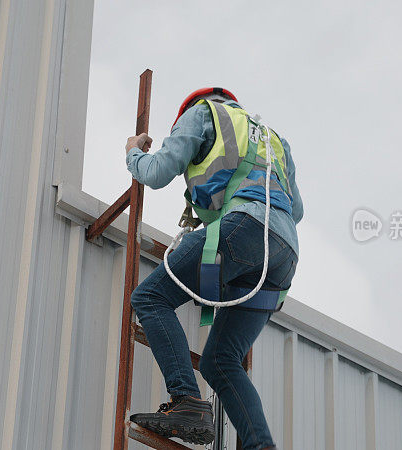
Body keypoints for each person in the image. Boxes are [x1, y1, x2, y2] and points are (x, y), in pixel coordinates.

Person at [124, 87, 303, 450]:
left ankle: (186, 401)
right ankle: (260, 446)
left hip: (243, 229)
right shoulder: (275, 141)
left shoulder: (202, 113)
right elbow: (296, 210)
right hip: (283, 257)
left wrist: (132, 152)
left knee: (150, 297)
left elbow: (158, 172)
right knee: (220, 362)